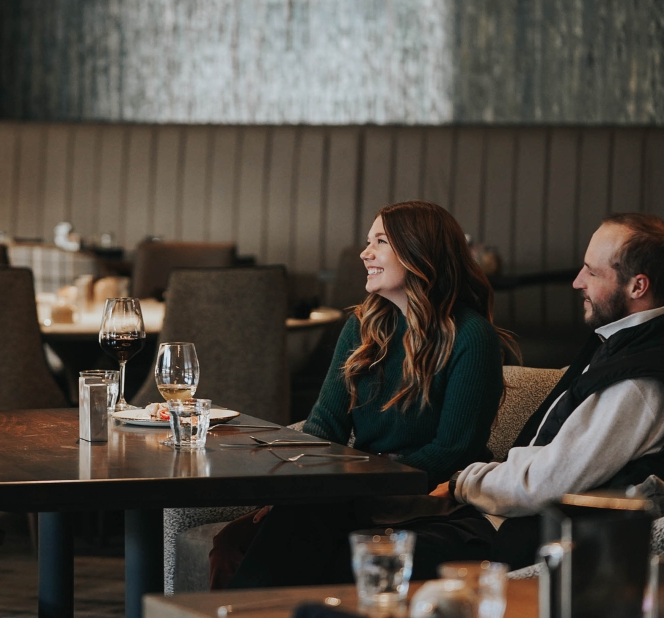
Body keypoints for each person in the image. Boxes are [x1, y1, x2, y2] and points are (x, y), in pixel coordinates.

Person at [229, 212, 664, 588]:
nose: (576, 281)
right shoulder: (628, 347)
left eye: (590, 271)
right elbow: (324, 424)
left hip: (524, 529)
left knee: (332, 550)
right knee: (301, 519)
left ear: (637, 286)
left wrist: (461, 482)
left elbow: (537, 480)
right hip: (490, 512)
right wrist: (293, 478)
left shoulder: (642, 380)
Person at [213, 200, 517, 589]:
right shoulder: (363, 325)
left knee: (301, 534)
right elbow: (325, 426)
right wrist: (293, 485)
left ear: (418, 253)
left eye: (380, 242)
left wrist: (357, 485)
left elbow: (451, 451)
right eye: (368, 241)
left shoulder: (471, 336)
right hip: (359, 491)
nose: (365, 253)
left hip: (432, 501)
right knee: (233, 542)